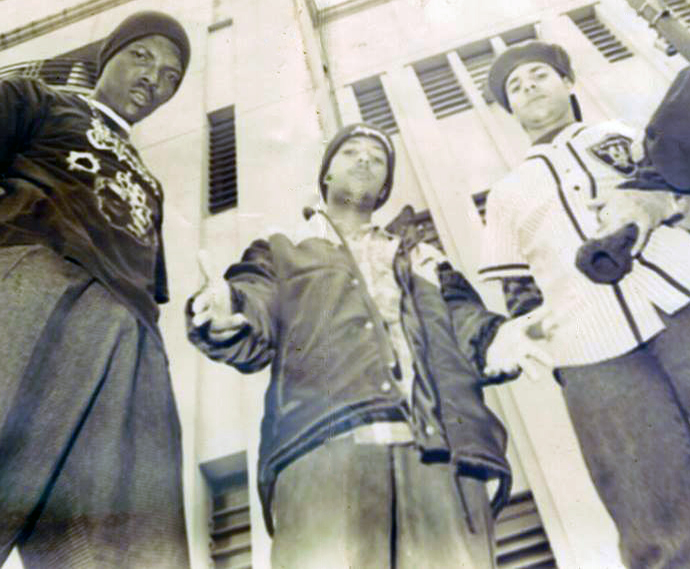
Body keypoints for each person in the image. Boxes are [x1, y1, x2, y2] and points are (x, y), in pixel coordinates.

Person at [187, 123, 552, 569]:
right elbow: (253, 301)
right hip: (322, 448)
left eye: (377, 159)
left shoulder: (421, 255)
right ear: (326, 175)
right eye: (351, 152)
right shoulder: (282, 248)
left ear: (384, 189)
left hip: (443, 453)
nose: (364, 159)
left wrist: (498, 338)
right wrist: (227, 312)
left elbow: (464, 316)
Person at [479, 41, 690, 569]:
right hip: (592, 349)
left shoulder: (627, 134)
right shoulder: (505, 193)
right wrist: (538, 337)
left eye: (539, 74)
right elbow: (518, 287)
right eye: (515, 87)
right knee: (652, 511)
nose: (528, 87)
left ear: (568, 83)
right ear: (510, 111)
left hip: (680, 297)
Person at [0, 11, 192, 569]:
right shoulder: (41, 100)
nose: (153, 78)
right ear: (107, 58)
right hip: (36, 277)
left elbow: (150, 282)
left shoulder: (150, 183)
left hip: (131, 337)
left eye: (170, 77)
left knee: (128, 537)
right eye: (142, 56)